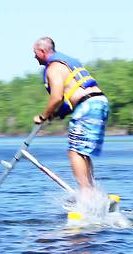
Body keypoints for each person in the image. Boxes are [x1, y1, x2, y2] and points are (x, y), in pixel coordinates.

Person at [32, 37, 109, 191]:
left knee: (75, 152)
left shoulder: (53, 67)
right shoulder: (65, 65)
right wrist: (54, 114)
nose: (34, 57)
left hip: (87, 106)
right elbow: (65, 99)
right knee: (82, 152)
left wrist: (43, 116)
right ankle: (92, 193)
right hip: (100, 103)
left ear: (42, 51)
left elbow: (56, 97)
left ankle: (86, 195)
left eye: (35, 53)